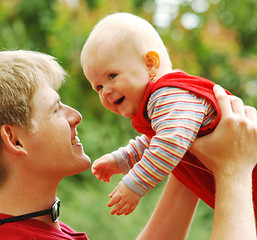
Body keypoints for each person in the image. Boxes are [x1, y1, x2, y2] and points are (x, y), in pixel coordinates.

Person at [0, 49, 256, 240]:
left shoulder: (31, 228)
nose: (76, 115)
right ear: (14, 139)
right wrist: (234, 172)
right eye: (55, 108)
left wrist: (187, 143)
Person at [80, 12, 257, 219]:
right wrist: (121, 160)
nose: (106, 91)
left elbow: (171, 140)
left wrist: (134, 184)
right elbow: (156, 140)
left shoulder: (168, 94)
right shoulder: (164, 107)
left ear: (150, 64)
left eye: (112, 76)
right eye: (98, 86)